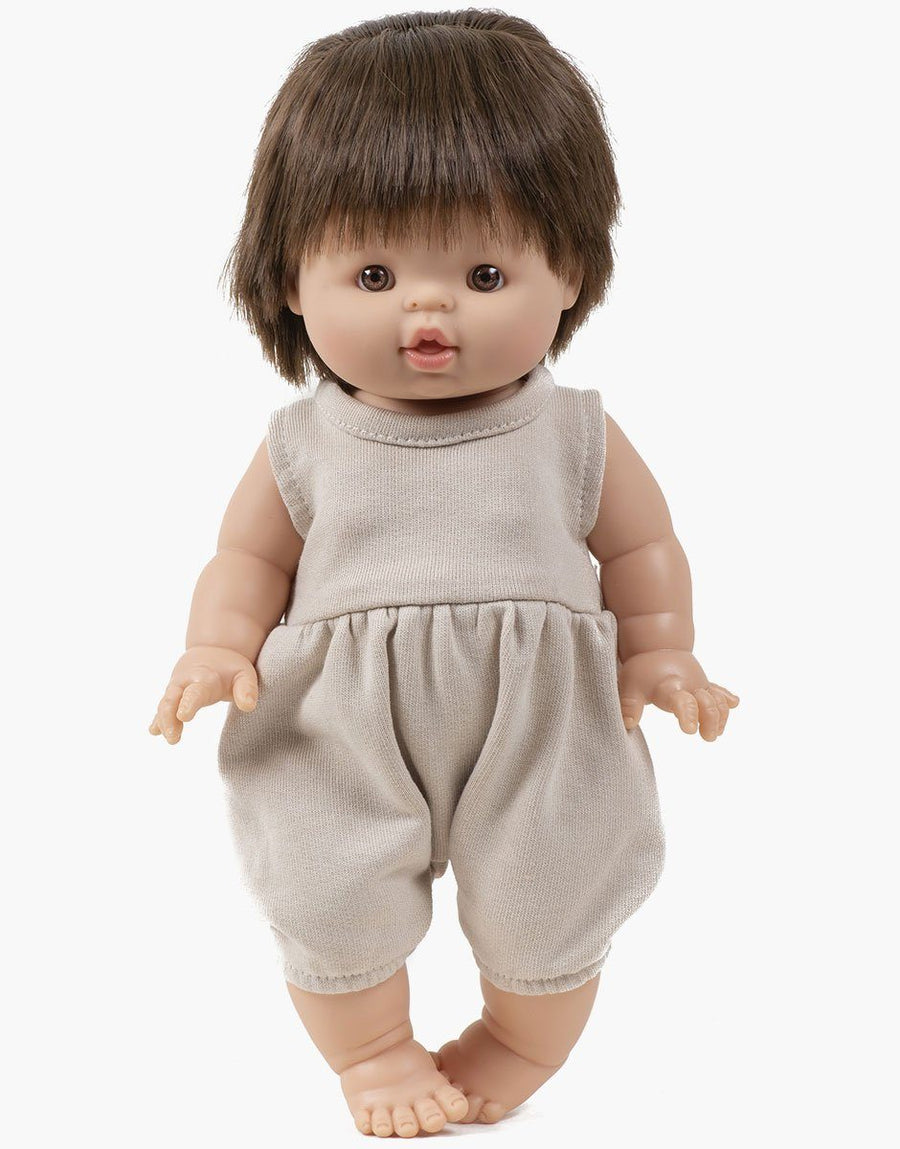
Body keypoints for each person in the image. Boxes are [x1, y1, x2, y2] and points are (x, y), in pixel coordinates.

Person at [149, 10, 739, 1137]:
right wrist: (216, 644)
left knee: (558, 882)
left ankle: (520, 1042)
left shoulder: (575, 433)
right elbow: (248, 557)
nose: (429, 308)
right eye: (374, 271)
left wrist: (663, 649)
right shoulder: (303, 444)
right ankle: (372, 1054)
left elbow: (641, 549)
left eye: (484, 270)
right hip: (337, 718)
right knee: (323, 881)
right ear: (289, 279)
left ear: (570, 272)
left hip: (545, 718)